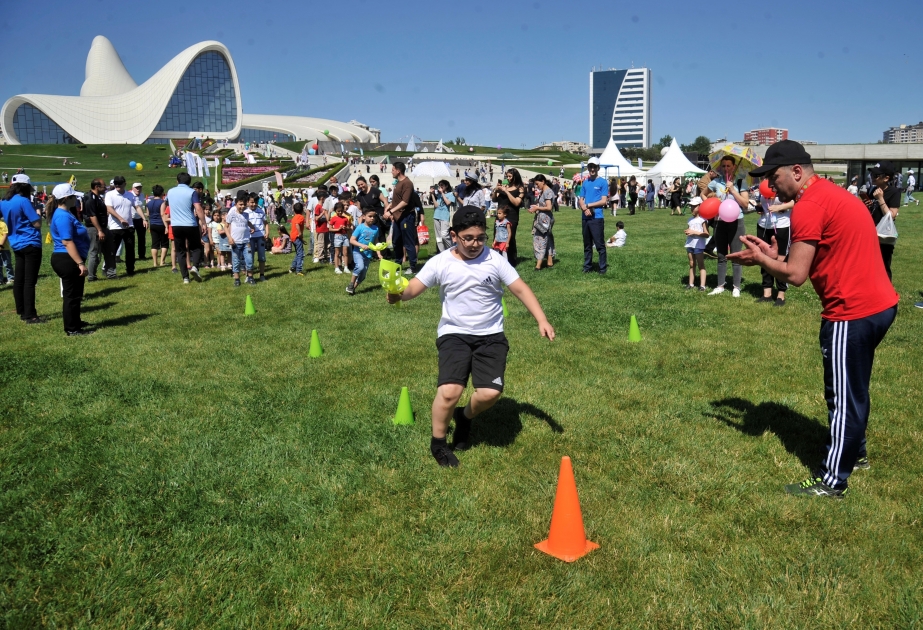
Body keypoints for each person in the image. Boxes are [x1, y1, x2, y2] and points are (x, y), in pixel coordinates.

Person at [729, 140, 898, 498]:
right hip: (880, 305)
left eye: (774, 178)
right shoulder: (832, 195)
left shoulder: (808, 206)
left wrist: (762, 261)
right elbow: (819, 250)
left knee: (842, 395)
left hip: (851, 312)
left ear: (796, 171)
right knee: (855, 386)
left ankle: (832, 480)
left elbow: (795, 275)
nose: (770, 186)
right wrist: (775, 252)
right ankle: (858, 453)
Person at [386, 206, 555, 467]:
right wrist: (397, 294)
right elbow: (413, 288)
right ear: (454, 235)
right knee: (450, 390)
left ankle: (464, 417)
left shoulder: (495, 259)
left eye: (480, 237)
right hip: (454, 334)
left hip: (491, 336)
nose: (475, 244)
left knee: (489, 394)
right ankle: (439, 444)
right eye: (468, 238)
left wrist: (541, 319)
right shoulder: (440, 262)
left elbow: (520, 289)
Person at [48, 184, 93, 336]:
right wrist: (79, 263)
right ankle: (72, 329)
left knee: (76, 294)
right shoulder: (62, 216)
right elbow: (67, 241)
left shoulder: (66, 213)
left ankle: (76, 321)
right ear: (67, 198)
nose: (76, 198)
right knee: (71, 296)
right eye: (74, 196)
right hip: (67, 259)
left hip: (70, 258)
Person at [1, 175, 44, 323]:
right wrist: (38, 214)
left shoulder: (4, 201)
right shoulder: (24, 201)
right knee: (29, 281)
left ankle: (21, 309)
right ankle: (30, 314)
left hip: (16, 243)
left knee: (19, 280)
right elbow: (37, 224)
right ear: (24, 187)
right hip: (31, 242)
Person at [707, 156, 749, 298]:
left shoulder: (740, 182)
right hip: (719, 221)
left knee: (736, 255)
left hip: (737, 222)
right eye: (723, 166)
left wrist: (733, 190)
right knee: (721, 255)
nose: (726, 168)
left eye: (728, 166)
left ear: (734, 167)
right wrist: (711, 203)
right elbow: (702, 194)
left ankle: (736, 287)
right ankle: (720, 285)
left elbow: (745, 204)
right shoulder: (716, 182)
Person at [166, 172, 207, 284]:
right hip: (190, 224)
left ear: (177, 181)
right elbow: (198, 208)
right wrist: (204, 223)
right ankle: (195, 267)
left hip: (176, 225)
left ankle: (185, 277)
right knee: (196, 247)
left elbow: (166, 204)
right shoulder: (192, 192)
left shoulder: (170, 191)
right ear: (189, 182)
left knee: (181, 251)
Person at [755, 189, 794, 306]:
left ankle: (781, 294)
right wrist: (761, 208)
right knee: (764, 258)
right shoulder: (763, 187)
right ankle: (767, 292)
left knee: (781, 258)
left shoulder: (782, 186)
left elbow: (795, 202)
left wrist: (778, 208)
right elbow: (763, 203)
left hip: (781, 225)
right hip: (763, 225)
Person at [864, 161, 900, 281]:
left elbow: (892, 215)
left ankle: (887, 295)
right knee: (868, 265)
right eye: (872, 174)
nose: (872, 177)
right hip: (871, 232)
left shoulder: (894, 192)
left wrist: (880, 199)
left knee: (884, 267)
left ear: (886, 178)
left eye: (876, 175)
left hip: (884, 235)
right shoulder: (872, 189)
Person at [384, 162, 419, 273]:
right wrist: (389, 206)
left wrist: (391, 211)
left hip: (406, 217)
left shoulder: (407, 183)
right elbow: (397, 200)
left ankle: (413, 267)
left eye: (393, 169)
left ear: (398, 170)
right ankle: (397, 265)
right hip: (398, 218)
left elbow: (405, 202)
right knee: (396, 241)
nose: (391, 171)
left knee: (408, 242)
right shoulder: (398, 183)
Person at [105, 176, 142, 278]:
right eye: (116, 184)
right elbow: (109, 209)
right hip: (115, 227)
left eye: (120, 184)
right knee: (113, 250)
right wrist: (121, 219)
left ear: (124, 184)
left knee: (130, 250)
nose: (117, 186)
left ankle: (130, 270)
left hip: (129, 226)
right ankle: (110, 271)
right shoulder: (110, 194)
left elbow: (137, 206)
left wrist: (144, 218)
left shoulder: (129, 195)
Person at [578, 157, 608, 274]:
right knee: (587, 244)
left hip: (597, 217)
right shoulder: (585, 182)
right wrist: (585, 208)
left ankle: (602, 268)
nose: (592, 169)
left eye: (594, 167)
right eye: (590, 166)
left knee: (600, 245)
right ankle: (587, 267)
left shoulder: (603, 182)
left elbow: (603, 201)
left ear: (598, 168)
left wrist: (588, 205)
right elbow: (581, 199)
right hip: (585, 217)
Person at [492, 169, 524, 264]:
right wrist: (496, 190)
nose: (508, 178)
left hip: (511, 216)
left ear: (515, 177)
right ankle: (497, 260)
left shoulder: (520, 188)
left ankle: (510, 260)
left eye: (510, 176)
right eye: (507, 176)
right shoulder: (504, 186)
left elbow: (517, 203)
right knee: (497, 236)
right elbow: (494, 199)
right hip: (500, 216)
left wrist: (506, 191)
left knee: (509, 237)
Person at [346, 208, 379, 295]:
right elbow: (352, 240)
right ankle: (351, 284)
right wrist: (362, 245)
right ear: (364, 217)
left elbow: (376, 241)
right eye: (370, 216)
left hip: (368, 255)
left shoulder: (375, 229)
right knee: (360, 267)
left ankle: (352, 289)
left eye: (374, 216)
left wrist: (379, 253)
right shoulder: (360, 227)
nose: (372, 218)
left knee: (363, 275)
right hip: (358, 252)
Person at [81, 178, 107, 281]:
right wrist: (99, 230)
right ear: (97, 187)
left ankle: (93, 274)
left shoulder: (97, 197)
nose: (105, 188)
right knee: (94, 251)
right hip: (94, 228)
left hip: (98, 227)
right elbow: (92, 216)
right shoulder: (91, 198)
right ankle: (91, 276)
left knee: (97, 252)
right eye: (104, 186)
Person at [226, 192, 254, 286]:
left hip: (246, 241)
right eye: (240, 204)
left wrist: (251, 226)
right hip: (235, 242)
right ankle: (237, 279)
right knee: (236, 261)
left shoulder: (246, 214)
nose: (242, 206)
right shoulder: (232, 213)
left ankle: (250, 277)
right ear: (236, 203)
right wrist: (229, 238)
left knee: (249, 260)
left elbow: (246, 222)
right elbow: (226, 226)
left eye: (244, 205)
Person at [530, 174, 556, 271]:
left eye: (537, 184)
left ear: (543, 181)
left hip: (544, 220)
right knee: (547, 239)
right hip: (545, 219)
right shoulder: (545, 191)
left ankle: (538, 265)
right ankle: (549, 262)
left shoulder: (547, 192)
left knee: (540, 240)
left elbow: (549, 207)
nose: (537, 186)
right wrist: (536, 208)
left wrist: (537, 208)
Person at [683, 199, 708, 291]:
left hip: (699, 245)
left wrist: (694, 232)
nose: (692, 208)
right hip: (690, 244)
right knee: (691, 263)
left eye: (694, 206)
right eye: (691, 207)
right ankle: (691, 283)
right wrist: (688, 231)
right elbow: (690, 230)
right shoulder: (690, 220)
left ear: (700, 207)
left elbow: (707, 234)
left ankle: (702, 286)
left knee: (701, 264)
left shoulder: (703, 220)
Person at [246, 192, 268, 281]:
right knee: (249, 257)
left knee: (262, 257)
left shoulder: (261, 211)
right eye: (251, 202)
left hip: (260, 237)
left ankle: (262, 275)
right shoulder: (245, 212)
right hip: (249, 238)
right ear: (247, 202)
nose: (253, 204)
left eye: (255, 202)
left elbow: (266, 223)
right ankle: (249, 276)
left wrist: (267, 232)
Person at [147, 184, 169, 267]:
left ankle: (155, 263)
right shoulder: (162, 202)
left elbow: (148, 214)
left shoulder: (149, 203)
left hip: (153, 224)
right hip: (161, 224)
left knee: (154, 244)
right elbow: (163, 214)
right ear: (162, 193)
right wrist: (166, 226)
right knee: (164, 243)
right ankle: (162, 261)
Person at [432, 180, 455, 252]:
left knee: (444, 235)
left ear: (446, 186)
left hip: (445, 217)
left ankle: (450, 250)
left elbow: (448, 203)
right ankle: (442, 252)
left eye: (442, 185)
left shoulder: (451, 194)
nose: (440, 187)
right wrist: (432, 194)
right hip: (437, 216)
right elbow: (436, 205)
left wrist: (442, 193)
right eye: (439, 185)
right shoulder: (438, 195)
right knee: (438, 237)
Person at [328, 202, 351, 274]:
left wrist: (345, 227)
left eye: (341, 211)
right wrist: (337, 229)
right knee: (337, 253)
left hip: (345, 236)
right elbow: (330, 229)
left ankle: (346, 267)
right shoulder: (333, 218)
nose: (340, 212)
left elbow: (348, 227)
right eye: (338, 211)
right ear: (335, 211)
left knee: (345, 252)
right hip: (337, 236)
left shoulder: (345, 218)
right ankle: (336, 267)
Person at [130, 183, 147, 260]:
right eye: (136, 188)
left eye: (140, 188)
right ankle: (131, 256)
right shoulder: (130, 195)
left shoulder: (142, 195)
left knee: (142, 237)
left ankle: (142, 255)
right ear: (133, 188)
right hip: (131, 219)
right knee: (131, 239)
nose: (138, 189)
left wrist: (144, 218)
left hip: (140, 219)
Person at [289, 202, 306, 274]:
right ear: (302, 210)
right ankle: (298, 270)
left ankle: (293, 267)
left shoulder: (294, 217)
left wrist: (302, 239)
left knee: (298, 253)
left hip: (293, 237)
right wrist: (300, 233)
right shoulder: (301, 217)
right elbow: (297, 224)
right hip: (297, 237)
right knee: (301, 254)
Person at [0, 215, 14, 284]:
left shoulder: (2, 224)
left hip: (4, 248)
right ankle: (0, 279)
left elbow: (5, 235)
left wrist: (1, 245)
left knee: (7, 264)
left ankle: (11, 278)